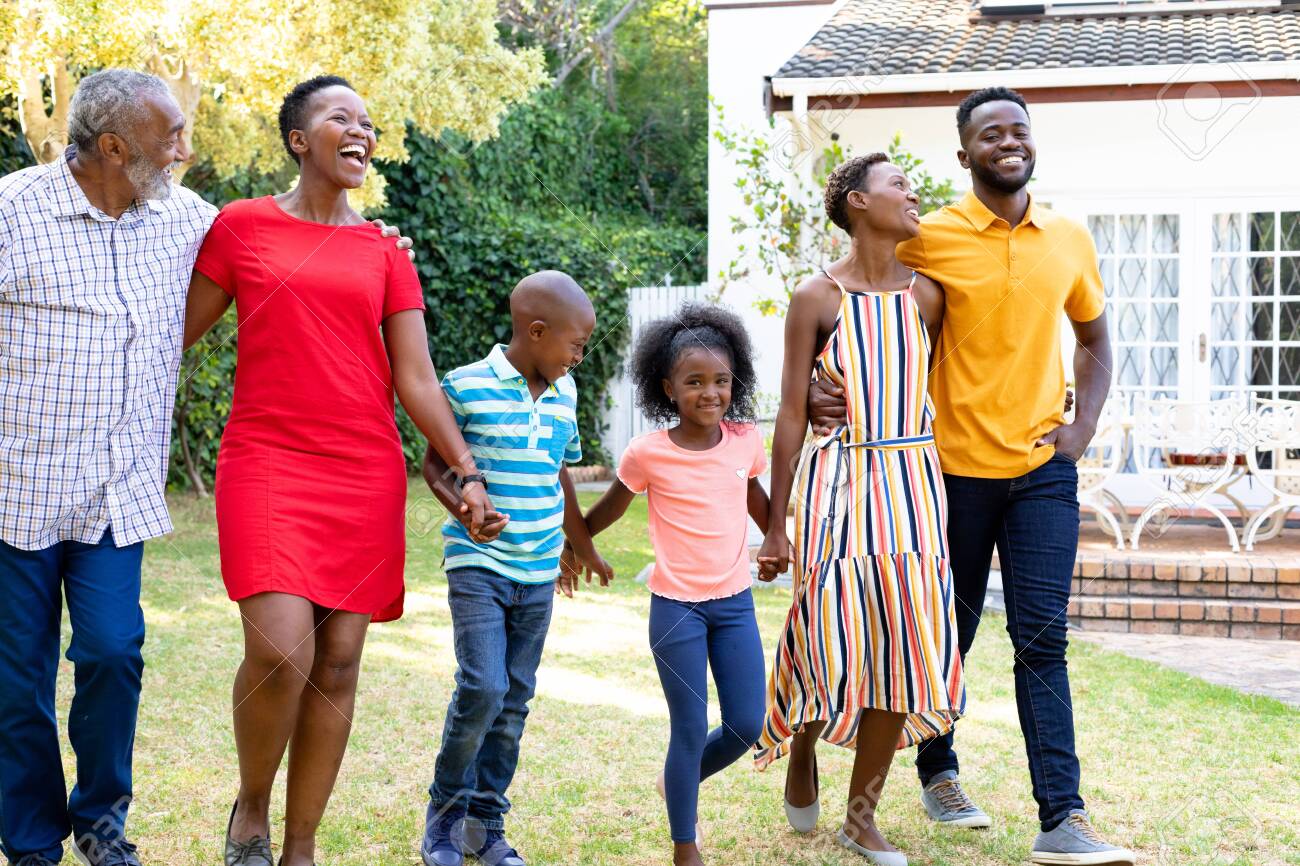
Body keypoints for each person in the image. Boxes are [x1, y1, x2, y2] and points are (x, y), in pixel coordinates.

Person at [807, 87, 1134, 865]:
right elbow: (851, 291)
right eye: (991, 133)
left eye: (1019, 129)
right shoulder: (931, 236)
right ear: (965, 155)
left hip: (1040, 475)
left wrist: (1080, 427)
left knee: (1042, 638)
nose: (1008, 141)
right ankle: (939, 769)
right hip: (944, 475)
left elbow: (1093, 339)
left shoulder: (1068, 238)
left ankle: (1063, 818)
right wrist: (822, 378)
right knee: (941, 632)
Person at [182, 75, 498, 866]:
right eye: (338, 118)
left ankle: (299, 845)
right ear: (298, 139)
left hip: (361, 470)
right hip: (267, 460)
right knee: (281, 651)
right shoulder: (242, 226)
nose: (360, 131)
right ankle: (250, 809)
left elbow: (415, 379)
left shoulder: (385, 250)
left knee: (338, 660)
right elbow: (170, 337)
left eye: (367, 121)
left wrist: (464, 471)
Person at [0, 67, 212, 866]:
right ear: (117, 148)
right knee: (17, 682)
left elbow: (273, 244)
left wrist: (361, 237)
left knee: (113, 653)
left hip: (115, 497)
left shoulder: (183, 219)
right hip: (13, 492)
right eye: (173, 139)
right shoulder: (13, 210)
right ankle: (29, 840)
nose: (186, 152)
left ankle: (100, 820)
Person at [756, 153, 964, 866]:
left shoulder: (929, 297)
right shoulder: (816, 297)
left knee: (904, 645)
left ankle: (861, 816)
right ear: (855, 203)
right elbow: (790, 413)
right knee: (825, 630)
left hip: (912, 482)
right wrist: (774, 523)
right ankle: (801, 740)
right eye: (898, 184)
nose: (913, 192)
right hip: (837, 481)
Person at [418, 270, 612, 866]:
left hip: (536, 571)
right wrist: (465, 511)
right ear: (535, 331)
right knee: (484, 685)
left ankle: (485, 825)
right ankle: (445, 820)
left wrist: (579, 547)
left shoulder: (564, 394)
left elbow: (559, 476)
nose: (580, 357)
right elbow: (433, 467)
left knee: (514, 700)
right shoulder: (465, 385)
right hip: (477, 562)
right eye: (576, 345)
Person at [579, 303, 777, 866]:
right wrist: (578, 545)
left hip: (734, 605)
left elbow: (757, 502)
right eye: (694, 382)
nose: (709, 393)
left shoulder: (743, 442)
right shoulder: (649, 453)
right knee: (688, 726)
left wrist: (783, 542)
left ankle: (679, 783)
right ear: (667, 387)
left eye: (720, 381)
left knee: (744, 723)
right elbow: (610, 508)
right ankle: (684, 845)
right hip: (676, 611)